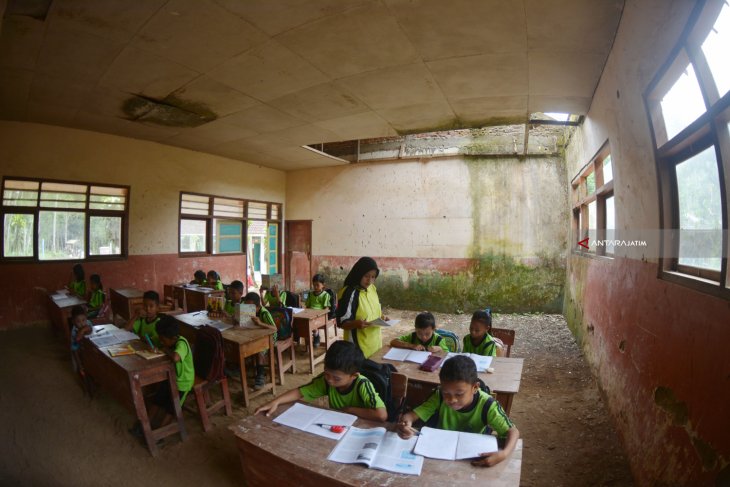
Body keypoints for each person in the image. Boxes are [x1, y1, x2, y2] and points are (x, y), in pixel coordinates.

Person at [397, 355, 519, 467]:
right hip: (440, 453)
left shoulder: (487, 405)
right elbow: (411, 416)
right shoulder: (439, 396)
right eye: (446, 393)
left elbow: (512, 431)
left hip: (471, 457)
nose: (452, 400)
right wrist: (405, 423)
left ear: (475, 387)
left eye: (459, 394)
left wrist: (504, 453)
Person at [255, 341, 387, 422]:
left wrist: (349, 409)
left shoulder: (362, 384)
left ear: (354, 376)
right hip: (337, 424)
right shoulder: (326, 381)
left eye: (337, 378)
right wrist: (275, 401)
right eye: (326, 373)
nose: (329, 380)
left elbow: (381, 415)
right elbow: (299, 393)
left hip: (361, 426)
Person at [131, 316, 193, 435]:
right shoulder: (166, 338)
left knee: (171, 408)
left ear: (173, 338)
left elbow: (175, 357)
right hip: (168, 376)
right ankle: (145, 427)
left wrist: (164, 349)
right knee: (158, 400)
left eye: (163, 339)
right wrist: (149, 342)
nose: (161, 340)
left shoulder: (182, 343)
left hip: (183, 382)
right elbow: (150, 339)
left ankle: (160, 434)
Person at [336, 257, 388, 358]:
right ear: (358, 273)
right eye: (366, 276)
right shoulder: (349, 293)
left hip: (375, 344)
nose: (369, 281)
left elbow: (374, 308)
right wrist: (355, 324)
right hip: (358, 348)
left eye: (373, 277)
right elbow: (341, 322)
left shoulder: (372, 288)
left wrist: (382, 317)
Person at [242, 292, 277, 390]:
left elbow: (274, 328)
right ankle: (240, 367)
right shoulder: (247, 312)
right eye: (246, 306)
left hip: (270, 338)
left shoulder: (264, 313)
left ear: (258, 306)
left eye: (251, 307)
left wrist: (261, 323)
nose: (248, 309)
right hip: (256, 336)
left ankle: (260, 374)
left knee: (259, 350)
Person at [304, 273, 332, 347]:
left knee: (312, 322)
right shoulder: (310, 294)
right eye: (314, 285)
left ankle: (316, 335)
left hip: (320, 315)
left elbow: (326, 308)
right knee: (303, 321)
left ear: (323, 285)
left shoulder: (325, 295)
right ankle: (307, 338)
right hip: (310, 314)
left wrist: (320, 314)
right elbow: (307, 306)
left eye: (317, 285)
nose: (315, 287)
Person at [69, 305, 92, 373]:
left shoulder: (87, 323)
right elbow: (74, 349)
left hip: (88, 346)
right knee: (79, 367)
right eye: (78, 321)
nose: (82, 323)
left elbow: (89, 330)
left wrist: (82, 331)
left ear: (86, 318)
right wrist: (79, 365)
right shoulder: (74, 332)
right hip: (79, 349)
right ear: (73, 322)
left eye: (83, 320)